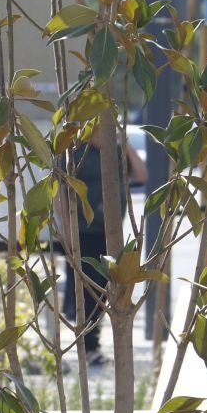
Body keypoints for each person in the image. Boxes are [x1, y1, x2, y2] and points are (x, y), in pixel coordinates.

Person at [60, 133, 144, 367]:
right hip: (83, 233)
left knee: (108, 288)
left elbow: (142, 174)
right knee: (85, 290)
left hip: (111, 234)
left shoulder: (116, 152)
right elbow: (59, 192)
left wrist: (124, 143)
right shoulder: (74, 152)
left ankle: (92, 344)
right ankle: (87, 346)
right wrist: (68, 230)